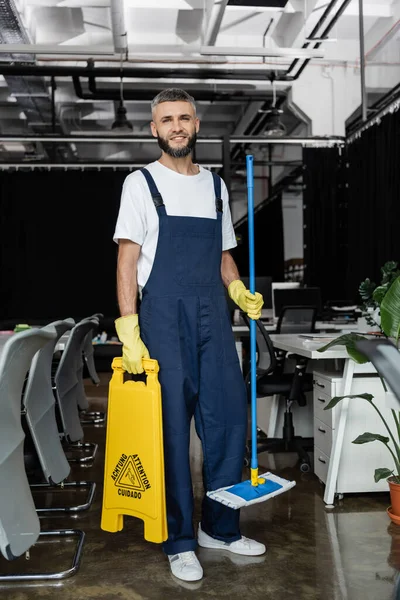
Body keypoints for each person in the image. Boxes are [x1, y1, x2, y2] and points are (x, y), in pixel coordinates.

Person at [113, 88, 265, 583]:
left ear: (196, 125)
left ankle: (219, 529)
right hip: (162, 320)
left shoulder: (217, 187)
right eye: (166, 120)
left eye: (183, 118)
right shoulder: (140, 183)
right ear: (153, 130)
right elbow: (128, 261)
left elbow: (223, 255)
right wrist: (129, 327)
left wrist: (238, 288)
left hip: (213, 320)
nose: (176, 126)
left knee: (226, 424)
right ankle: (180, 540)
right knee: (172, 431)